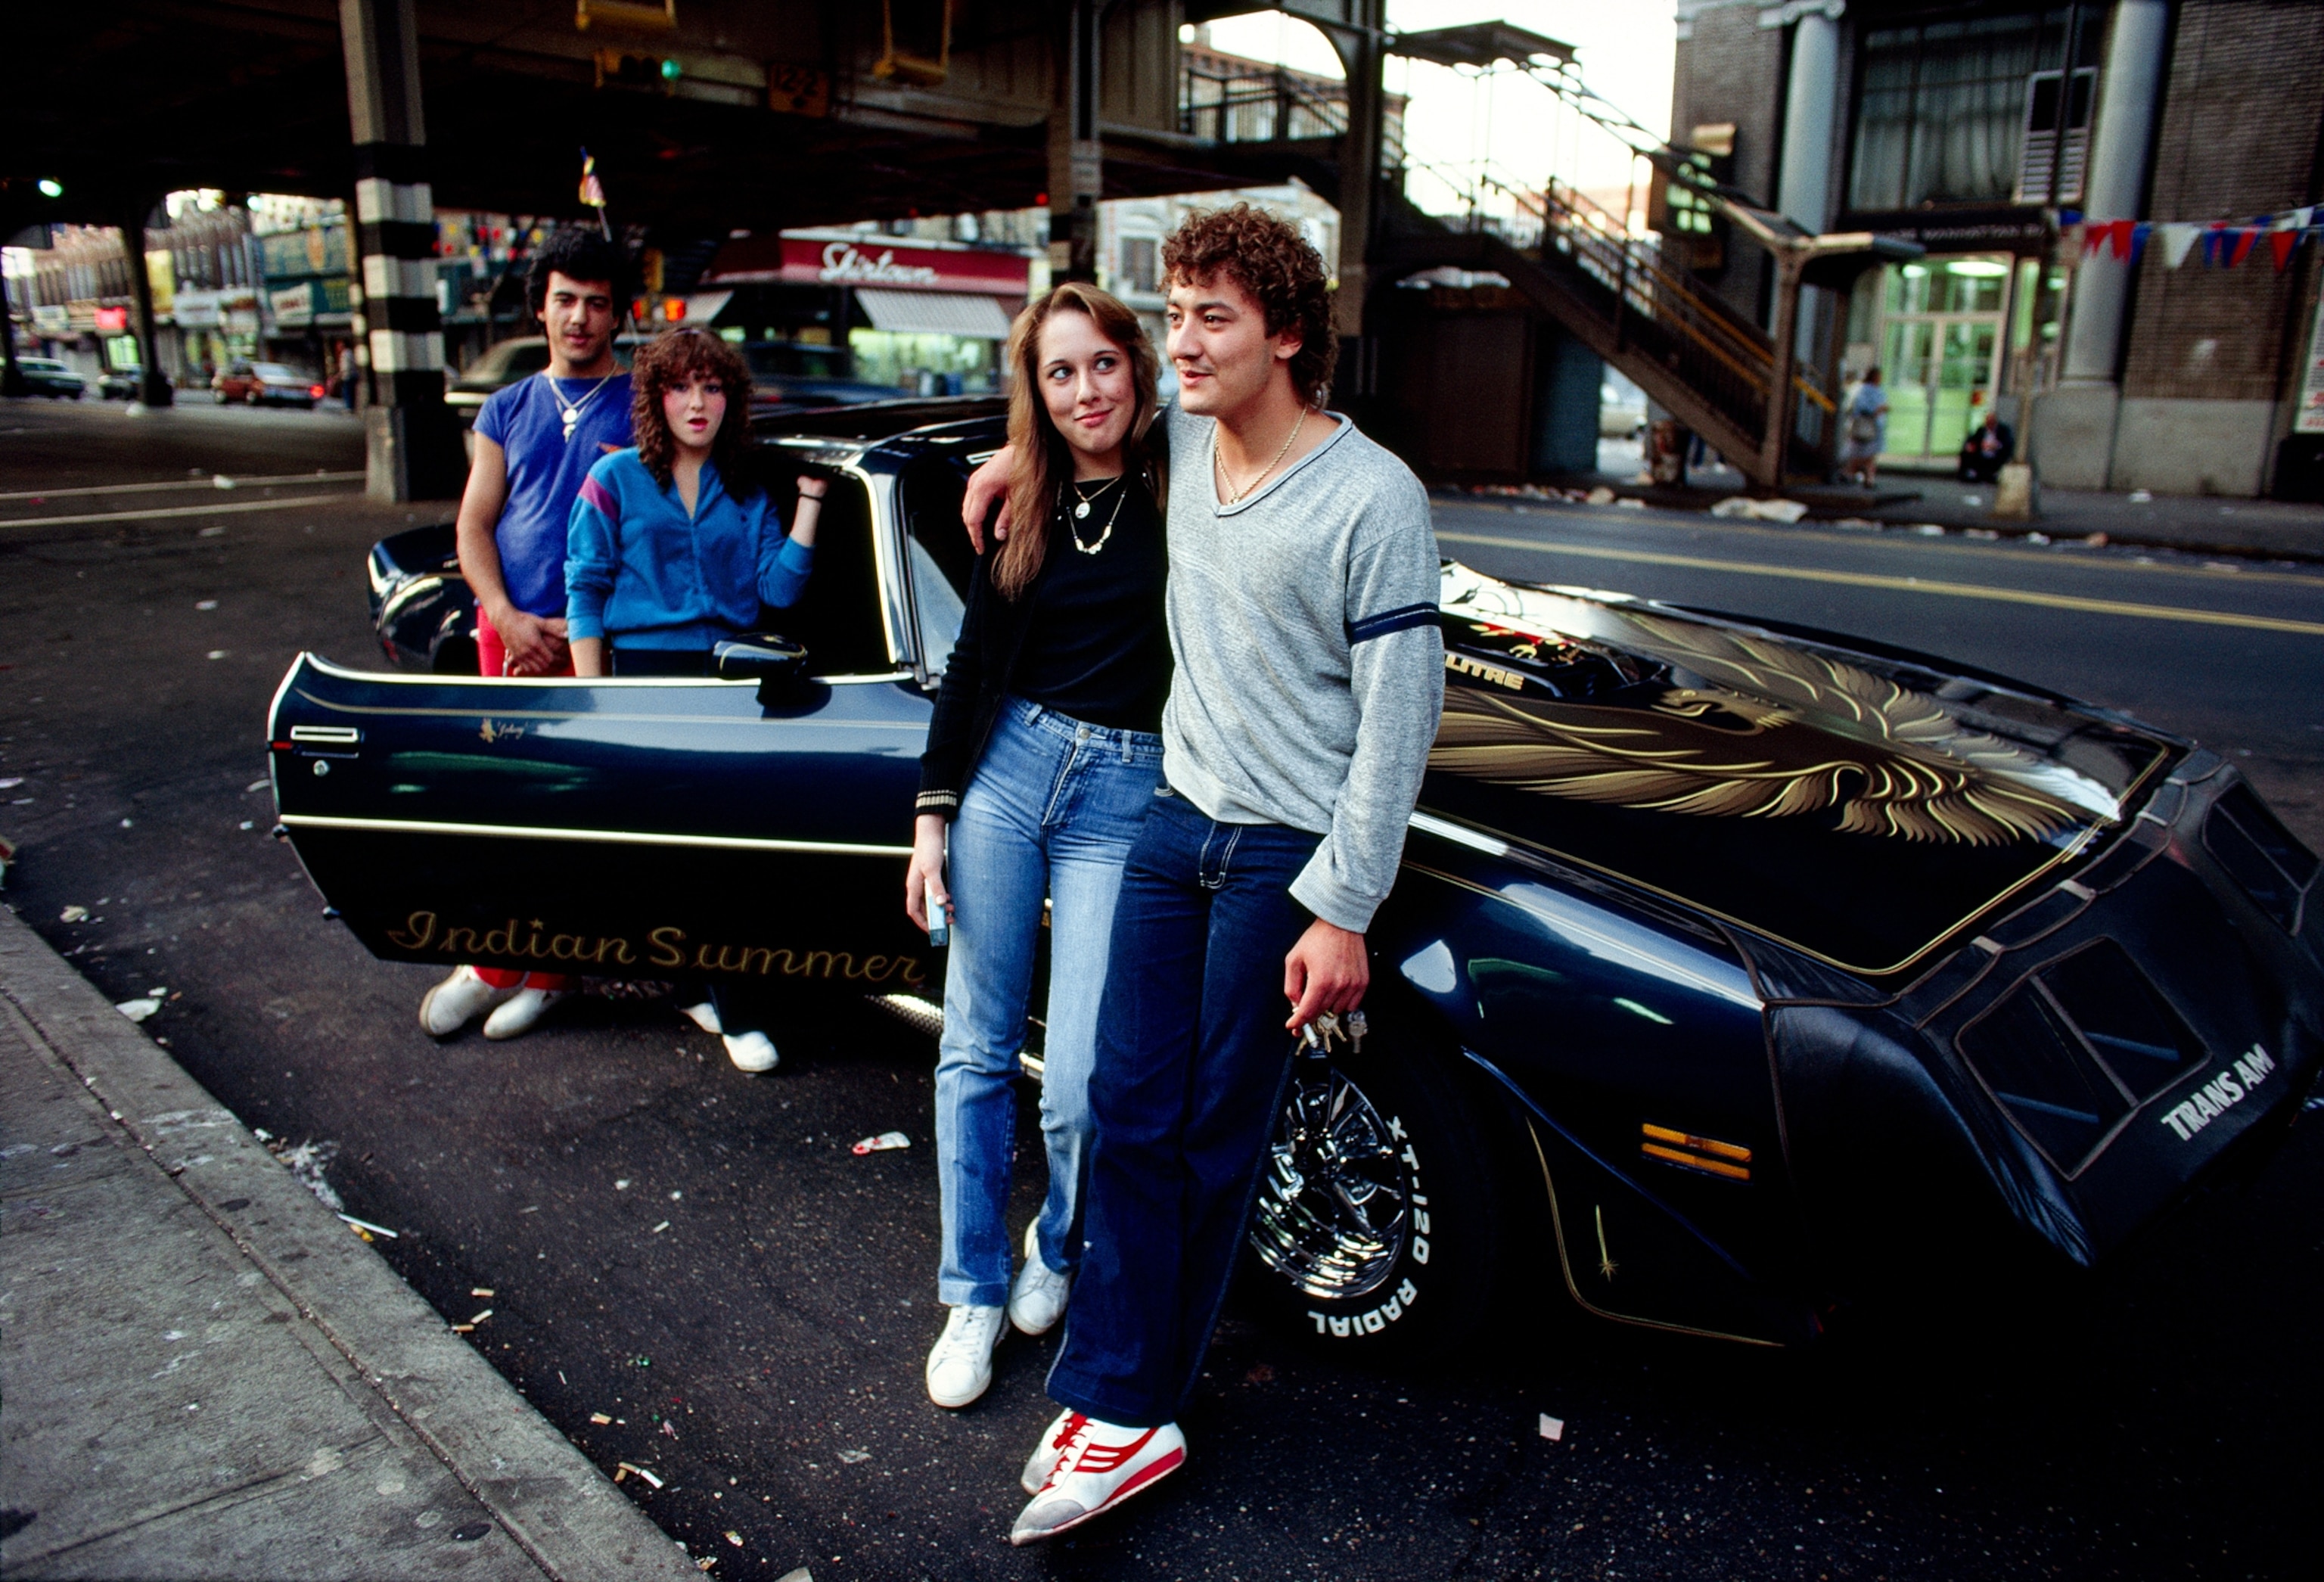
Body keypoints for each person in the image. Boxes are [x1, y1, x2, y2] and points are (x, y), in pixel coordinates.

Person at [964, 205, 1443, 1546]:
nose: (1176, 343)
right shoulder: (1178, 443)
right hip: (1176, 826)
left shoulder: (1372, 496)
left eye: (1209, 317)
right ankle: (1121, 1391)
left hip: (1286, 857)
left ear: (1286, 336)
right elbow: (1069, 418)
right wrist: (1002, 469)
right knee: (1122, 1106)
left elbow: (1401, 713)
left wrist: (1345, 903)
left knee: (1209, 1129)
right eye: (1171, 313)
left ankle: (1131, 1410)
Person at [905, 284, 1170, 1412]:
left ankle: (1055, 1241)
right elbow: (974, 663)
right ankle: (971, 1286)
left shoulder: (1186, 484)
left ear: (1135, 369)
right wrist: (932, 811)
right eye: (1059, 374)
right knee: (974, 1044)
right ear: (1038, 390)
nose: (1084, 391)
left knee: (1082, 1082)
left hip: (1126, 786)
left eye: (1101, 364)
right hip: (1009, 773)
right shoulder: (1026, 502)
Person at [564, 327, 826, 1071]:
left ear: (730, 398)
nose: (697, 402)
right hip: (646, 676)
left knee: (727, 853)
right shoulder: (613, 478)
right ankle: (695, 988)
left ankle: (729, 1002)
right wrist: (596, 703)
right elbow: (584, 587)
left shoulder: (744, 488)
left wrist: (807, 505)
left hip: (733, 675)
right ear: (656, 397)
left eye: (712, 386)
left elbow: (777, 590)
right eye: (680, 386)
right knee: (665, 852)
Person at [419, 227, 634, 1043]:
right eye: (566, 300)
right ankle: (498, 962)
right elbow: (475, 524)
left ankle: (549, 971)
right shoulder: (505, 407)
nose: (580, 317)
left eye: (597, 303)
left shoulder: (641, 398)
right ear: (540, 307)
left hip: (596, 638)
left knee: (574, 811)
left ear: (617, 315)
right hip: (504, 629)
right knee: (504, 804)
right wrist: (505, 616)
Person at [1840, 365, 1887, 486]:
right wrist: (1877, 410)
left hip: (1867, 427)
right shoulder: (1867, 391)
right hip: (1868, 426)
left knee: (1867, 454)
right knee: (1866, 454)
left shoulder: (1864, 389)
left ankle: (1867, 478)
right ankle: (1850, 473)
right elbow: (1862, 408)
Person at [1958, 406, 2015, 483]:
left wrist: (1995, 446)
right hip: (1982, 453)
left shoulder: (2003, 430)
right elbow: (1973, 440)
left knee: (2001, 457)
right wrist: (1970, 446)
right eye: (1988, 421)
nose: (1989, 424)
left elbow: (2007, 443)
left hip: (1995, 454)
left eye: (1991, 421)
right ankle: (1969, 475)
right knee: (1966, 453)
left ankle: (1992, 475)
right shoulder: (1981, 430)